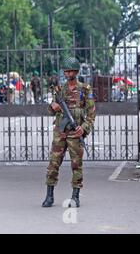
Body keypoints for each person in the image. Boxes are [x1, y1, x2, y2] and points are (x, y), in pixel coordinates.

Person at [41, 57, 95, 208]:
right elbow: (50, 110)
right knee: (53, 164)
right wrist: (54, 107)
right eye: (66, 70)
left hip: (75, 133)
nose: (67, 73)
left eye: (70, 70)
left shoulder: (85, 89)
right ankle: (49, 195)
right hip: (60, 133)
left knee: (76, 165)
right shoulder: (59, 90)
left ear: (76, 72)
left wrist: (83, 128)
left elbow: (91, 114)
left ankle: (75, 197)